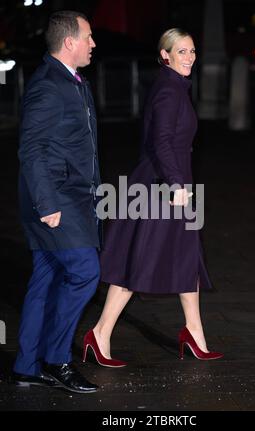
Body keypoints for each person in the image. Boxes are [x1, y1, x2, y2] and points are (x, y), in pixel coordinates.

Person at [82, 28, 223, 367]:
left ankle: (193, 332)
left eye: (192, 50)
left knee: (188, 257)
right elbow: (160, 142)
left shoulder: (176, 86)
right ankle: (100, 333)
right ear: (166, 56)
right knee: (139, 260)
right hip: (161, 187)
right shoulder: (169, 90)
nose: (189, 57)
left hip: (175, 184)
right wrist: (176, 185)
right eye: (182, 52)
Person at [14, 11, 101, 393]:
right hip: (55, 200)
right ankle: (56, 359)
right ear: (70, 42)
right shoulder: (48, 85)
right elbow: (31, 148)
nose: (93, 44)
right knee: (85, 272)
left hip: (70, 197)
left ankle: (27, 365)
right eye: (89, 37)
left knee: (46, 277)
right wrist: (48, 204)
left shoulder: (73, 80)